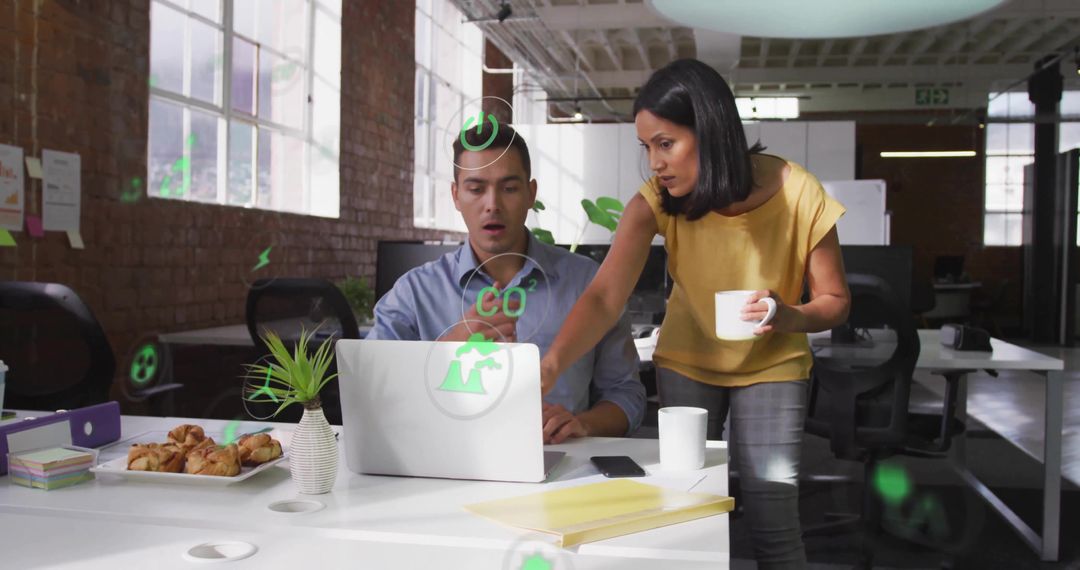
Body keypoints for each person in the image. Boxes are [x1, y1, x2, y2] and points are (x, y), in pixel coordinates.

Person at [539, 59, 850, 568]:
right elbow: (602, 297)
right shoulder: (657, 201)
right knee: (686, 514)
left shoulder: (799, 193)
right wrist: (550, 365)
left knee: (773, 518)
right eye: (646, 147)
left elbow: (835, 302)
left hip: (773, 365)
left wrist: (787, 315)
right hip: (687, 359)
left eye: (666, 143)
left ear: (711, 130)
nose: (654, 163)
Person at [368, 123, 646, 443]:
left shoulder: (589, 285)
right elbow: (372, 391)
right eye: (476, 189)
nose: (492, 205)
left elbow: (627, 395)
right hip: (445, 464)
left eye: (509, 188)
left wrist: (582, 424)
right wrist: (454, 343)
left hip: (559, 465)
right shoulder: (414, 293)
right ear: (456, 196)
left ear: (531, 193)